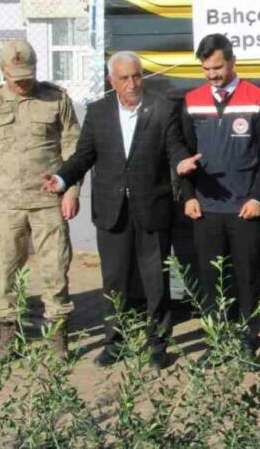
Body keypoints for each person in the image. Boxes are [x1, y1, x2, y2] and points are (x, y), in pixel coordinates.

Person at [44, 51, 190, 369]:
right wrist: (61, 177)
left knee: (156, 282)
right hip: (112, 212)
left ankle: (157, 345)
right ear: (113, 81)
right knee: (114, 281)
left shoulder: (163, 109)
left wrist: (181, 163)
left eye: (137, 75)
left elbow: (175, 147)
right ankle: (115, 342)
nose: (132, 83)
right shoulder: (98, 112)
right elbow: (84, 155)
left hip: (151, 209)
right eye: (124, 78)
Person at [0, 40, 81, 364]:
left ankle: (58, 336)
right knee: (6, 269)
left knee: (55, 268)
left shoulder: (56, 98)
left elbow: (73, 146)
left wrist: (71, 190)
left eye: (28, 74)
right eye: (16, 76)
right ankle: (8, 336)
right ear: (3, 71)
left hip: (48, 200)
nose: (23, 82)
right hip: (7, 202)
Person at [176, 34, 260, 358]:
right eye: (206, 69)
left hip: (245, 206)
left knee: (247, 275)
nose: (212, 75)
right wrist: (188, 195)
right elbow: (183, 153)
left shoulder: (259, 98)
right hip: (205, 208)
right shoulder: (192, 101)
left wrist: (258, 197)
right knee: (210, 277)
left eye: (217, 67)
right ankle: (216, 338)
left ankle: (249, 336)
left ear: (232, 61)